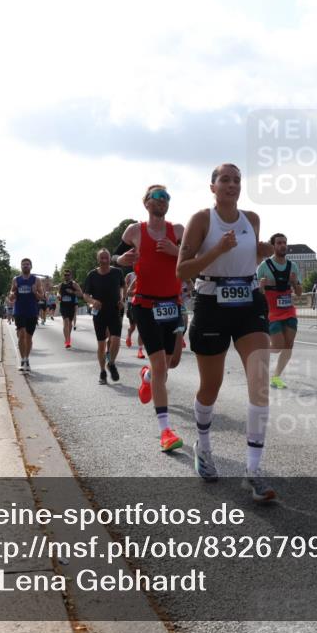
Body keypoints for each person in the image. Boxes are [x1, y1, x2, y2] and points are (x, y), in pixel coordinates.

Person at [177, 163, 277, 502]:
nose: (232, 185)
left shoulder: (252, 218)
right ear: (213, 187)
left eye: (237, 180)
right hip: (211, 303)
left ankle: (253, 471)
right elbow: (182, 270)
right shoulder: (201, 220)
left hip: (248, 301)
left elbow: (251, 255)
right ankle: (203, 446)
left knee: (260, 382)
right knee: (211, 385)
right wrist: (217, 250)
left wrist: (260, 252)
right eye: (225, 179)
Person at [115, 184, 187, 452]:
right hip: (145, 304)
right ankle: (165, 431)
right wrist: (122, 258)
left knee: (169, 365)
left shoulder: (178, 231)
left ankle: (146, 378)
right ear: (146, 202)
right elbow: (115, 257)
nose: (162, 200)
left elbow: (196, 258)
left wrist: (175, 251)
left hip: (172, 304)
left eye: (166, 197)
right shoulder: (134, 231)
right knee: (160, 366)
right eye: (157, 196)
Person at [257, 233, 303, 389]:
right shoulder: (264, 266)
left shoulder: (293, 266)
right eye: (279, 243)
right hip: (272, 312)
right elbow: (256, 293)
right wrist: (261, 286)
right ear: (273, 246)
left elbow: (299, 292)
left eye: (284, 242)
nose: (283, 245)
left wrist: (294, 282)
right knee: (277, 347)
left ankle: (276, 377)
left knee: (288, 345)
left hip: (289, 310)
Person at [82, 249, 124, 384]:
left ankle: (111, 363)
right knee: (101, 345)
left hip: (114, 310)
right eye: (102, 258)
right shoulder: (92, 275)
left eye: (106, 258)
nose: (104, 260)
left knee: (116, 340)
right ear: (98, 259)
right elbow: (85, 295)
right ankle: (102, 372)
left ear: (110, 258)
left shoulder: (117, 272)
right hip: (99, 313)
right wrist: (93, 302)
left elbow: (123, 287)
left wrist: (122, 299)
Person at [10, 258, 45, 373]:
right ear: (21, 266)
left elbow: (41, 297)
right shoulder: (16, 279)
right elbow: (11, 295)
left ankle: (27, 358)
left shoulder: (36, 280)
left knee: (28, 337)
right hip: (19, 310)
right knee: (21, 335)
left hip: (31, 311)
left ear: (31, 266)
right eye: (23, 264)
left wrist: (35, 292)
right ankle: (22, 360)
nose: (25, 266)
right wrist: (12, 293)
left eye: (27, 264)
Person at [58, 270, 83, 348]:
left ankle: (68, 337)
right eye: (65, 275)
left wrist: (72, 292)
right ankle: (67, 341)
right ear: (63, 276)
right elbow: (58, 292)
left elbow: (81, 293)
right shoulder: (61, 285)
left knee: (70, 324)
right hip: (63, 306)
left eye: (68, 275)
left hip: (71, 306)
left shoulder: (74, 284)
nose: (66, 276)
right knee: (66, 322)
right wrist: (58, 295)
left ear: (70, 276)